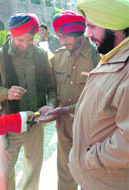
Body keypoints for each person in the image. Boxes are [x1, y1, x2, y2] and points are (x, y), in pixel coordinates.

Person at [0, 13, 56, 190]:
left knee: (33, 168)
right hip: (9, 123)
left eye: (30, 40)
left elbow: (52, 87)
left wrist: (51, 105)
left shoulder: (42, 55)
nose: (25, 45)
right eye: (20, 40)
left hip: (35, 123)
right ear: (12, 34)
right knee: (6, 171)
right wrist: (7, 93)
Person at [67, 0, 129, 189]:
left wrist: (90, 159)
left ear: (113, 26)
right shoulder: (113, 56)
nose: (87, 34)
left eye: (92, 26)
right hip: (94, 178)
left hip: (106, 180)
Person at [36, 10, 100, 190]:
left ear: (78, 32)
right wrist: (51, 105)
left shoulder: (99, 57)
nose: (62, 41)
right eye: (59, 37)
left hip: (91, 131)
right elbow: (53, 88)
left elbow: (100, 99)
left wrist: (65, 109)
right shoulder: (59, 56)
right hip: (64, 128)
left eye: (65, 37)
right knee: (65, 174)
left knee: (91, 176)